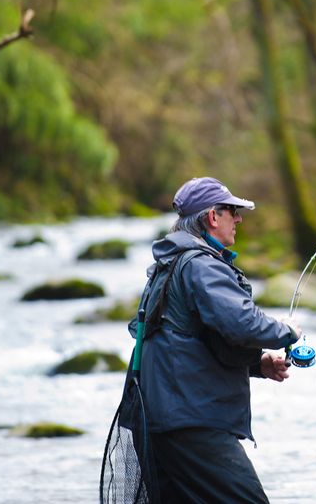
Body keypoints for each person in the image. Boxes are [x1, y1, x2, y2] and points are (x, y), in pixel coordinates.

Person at [129, 176, 301, 503]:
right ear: (212, 217)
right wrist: (287, 331)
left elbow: (192, 337)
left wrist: (257, 363)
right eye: (231, 211)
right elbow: (241, 323)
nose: (238, 219)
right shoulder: (202, 266)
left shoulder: (168, 265)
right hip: (191, 424)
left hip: (157, 422)